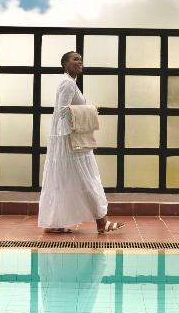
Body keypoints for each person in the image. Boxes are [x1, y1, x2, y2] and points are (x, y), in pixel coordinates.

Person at [38, 51, 124, 234]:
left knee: (65, 180)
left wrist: (87, 109)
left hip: (68, 140)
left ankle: (54, 223)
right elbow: (63, 111)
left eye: (81, 59)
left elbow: (66, 110)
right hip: (72, 143)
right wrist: (90, 110)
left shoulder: (68, 82)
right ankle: (102, 223)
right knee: (87, 179)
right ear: (65, 64)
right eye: (75, 59)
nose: (80, 62)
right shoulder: (68, 83)